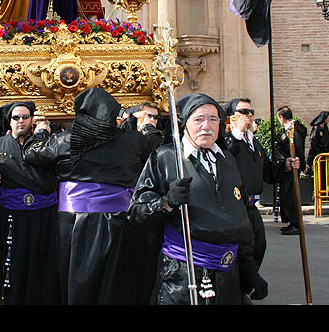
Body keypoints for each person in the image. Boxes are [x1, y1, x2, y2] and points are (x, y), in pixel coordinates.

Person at [127, 93, 267, 305]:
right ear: (185, 124)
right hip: (184, 276)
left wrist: (249, 268)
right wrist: (166, 202)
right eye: (198, 119)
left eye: (213, 119)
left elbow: (240, 216)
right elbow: (137, 212)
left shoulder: (227, 159)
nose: (206, 126)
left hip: (228, 274)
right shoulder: (166, 158)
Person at [24, 88, 156, 304]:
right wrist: (147, 127)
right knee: (117, 281)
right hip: (118, 222)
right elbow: (154, 144)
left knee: (75, 279)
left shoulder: (64, 140)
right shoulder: (131, 140)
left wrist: (41, 131)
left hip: (74, 222)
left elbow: (32, 154)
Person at [0, 101, 60, 305]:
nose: (20, 121)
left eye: (25, 117)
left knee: (42, 266)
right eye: (16, 117)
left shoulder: (48, 144)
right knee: (14, 266)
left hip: (44, 216)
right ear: (10, 121)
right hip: (12, 217)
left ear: (32, 120)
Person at [223, 98, 298, 303]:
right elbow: (225, 160)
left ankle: (245, 287)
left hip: (251, 206)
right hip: (234, 207)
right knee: (241, 252)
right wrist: (237, 132)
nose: (249, 115)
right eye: (244, 111)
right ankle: (236, 291)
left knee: (258, 247)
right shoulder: (228, 141)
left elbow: (267, 171)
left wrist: (285, 166)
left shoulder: (253, 143)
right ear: (233, 116)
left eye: (251, 111)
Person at [275, 106, 307, 236]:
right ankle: (291, 222)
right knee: (287, 195)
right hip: (287, 166)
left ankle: (295, 223)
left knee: (291, 196)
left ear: (282, 117)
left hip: (292, 166)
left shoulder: (294, 130)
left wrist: (301, 164)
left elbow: (297, 148)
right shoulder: (290, 129)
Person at [307, 111, 329, 177]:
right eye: (328, 118)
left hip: (325, 154)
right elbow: (314, 141)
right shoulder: (316, 128)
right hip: (317, 154)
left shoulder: (325, 128)